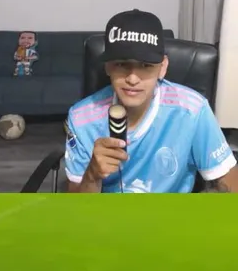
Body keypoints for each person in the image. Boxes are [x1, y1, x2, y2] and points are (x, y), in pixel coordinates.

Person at [65, 10, 237, 194]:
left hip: (172, 211)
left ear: (162, 67)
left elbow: (230, 181)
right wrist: (92, 175)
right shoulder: (81, 118)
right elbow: (76, 204)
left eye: (145, 65)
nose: (132, 79)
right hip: (108, 212)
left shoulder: (193, 111)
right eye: (122, 64)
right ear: (108, 67)